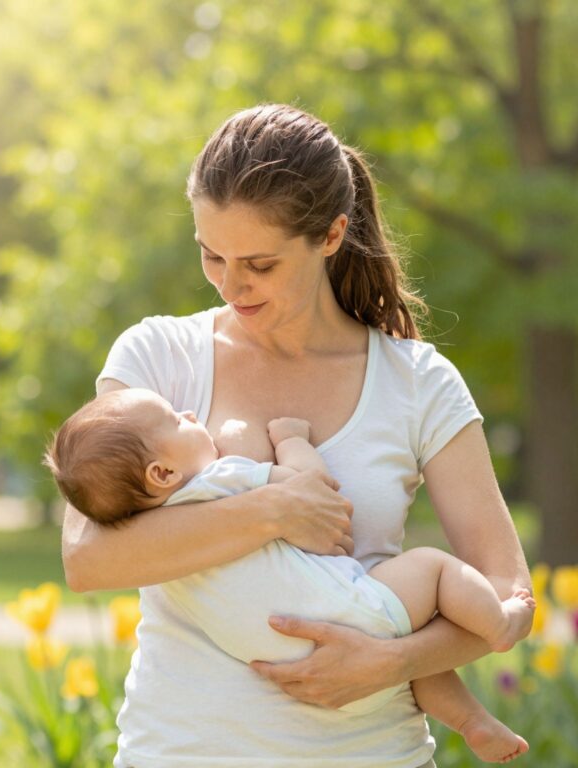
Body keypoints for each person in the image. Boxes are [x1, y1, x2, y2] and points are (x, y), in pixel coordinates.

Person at [61, 103, 533, 768]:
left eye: (259, 262)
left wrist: (392, 659)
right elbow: (89, 560)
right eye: (212, 255)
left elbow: (508, 592)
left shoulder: (417, 381)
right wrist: (275, 509)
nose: (232, 284)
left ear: (333, 234)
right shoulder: (158, 360)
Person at [46, 387, 532, 762]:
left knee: (406, 659)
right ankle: (498, 627)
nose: (191, 415)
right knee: (434, 568)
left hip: (295, 666)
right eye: (177, 420)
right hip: (353, 620)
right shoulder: (218, 481)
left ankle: (473, 722)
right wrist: (293, 440)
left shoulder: (156, 545)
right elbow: (310, 490)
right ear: (162, 474)